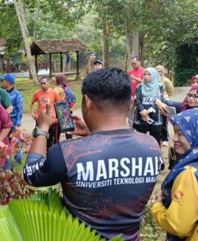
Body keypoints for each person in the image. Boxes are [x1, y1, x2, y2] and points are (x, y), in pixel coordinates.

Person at [23, 67, 163, 241]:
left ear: (87, 102)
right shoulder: (152, 147)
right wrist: (92, 134)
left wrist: (42, 129)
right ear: (131, 102)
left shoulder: (67, 152)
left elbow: (31, 174)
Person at [151, 108, 198, 241]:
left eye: (180, 133)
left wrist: (157, 207)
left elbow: (178, 226)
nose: (174, 138)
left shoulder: (189, 174)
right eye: (174, 132)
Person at [133, 67, 164, 145]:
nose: (146, 76)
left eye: (149, 74)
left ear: (153, 75)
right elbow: (137, 100)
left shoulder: (159, 86)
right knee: (140, 139)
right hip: (141, 114)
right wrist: (143, 111)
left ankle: (156, 154)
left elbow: (159, 100)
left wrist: (149, 111)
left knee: (155, 138)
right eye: (145, 74)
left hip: (155, 114)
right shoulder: (139, 86)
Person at [30, 76, 61, 148]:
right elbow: (32, 103)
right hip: (40, 119)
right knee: (39, 137)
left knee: (50, 138)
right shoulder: (37, 93)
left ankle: (49, 153)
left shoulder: (54, 93)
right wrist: (32, 113)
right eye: (41, 84)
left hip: (51, 120)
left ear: (49, 83)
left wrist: (58, 117)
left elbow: (59, 105)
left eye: (44, 83)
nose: (42, 85)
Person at [155, 65, 174, 146]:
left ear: (163, 72)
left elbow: (170, 91)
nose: (159, 72)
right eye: (157, 71)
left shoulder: (166, 80)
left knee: (164, 120)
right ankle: (157, 138)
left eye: (160, 71)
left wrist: (165, 98)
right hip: (155, 102)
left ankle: (165, 138)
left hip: (164, 102)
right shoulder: (152, 80)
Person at [127, 56, 146, 127]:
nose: (133, 65)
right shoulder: (130, 72)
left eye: (134, 63)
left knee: (141, 111)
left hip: (141, 96)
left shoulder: (144, 71)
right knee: (130, 112)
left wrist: (134, 78)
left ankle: (142, 127)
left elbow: (145, 82)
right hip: (131, 95)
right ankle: (130, 127)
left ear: (139, 62)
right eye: (132, 64)